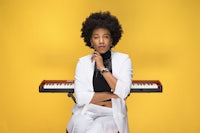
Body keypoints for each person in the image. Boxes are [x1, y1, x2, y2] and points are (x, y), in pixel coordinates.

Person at [67, 11, 133, 133]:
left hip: (112, 113)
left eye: (106, 36)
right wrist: (112, 95)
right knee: (78, 126)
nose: (101, 41)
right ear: (91, 41)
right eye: (96, 37)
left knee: (96, 129)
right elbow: (81, 98)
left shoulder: (124, 60)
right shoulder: (83, 62)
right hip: (88, 110)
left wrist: (102, 67)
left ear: (112, 39)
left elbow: (123, 92)